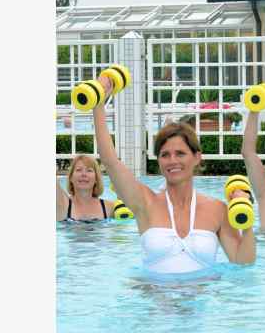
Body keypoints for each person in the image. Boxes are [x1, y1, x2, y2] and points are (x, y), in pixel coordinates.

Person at [90, 77, 255, 274]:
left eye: (180, 153)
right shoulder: (145, 202)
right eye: (165, 155)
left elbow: (242, 263)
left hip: (201, 301)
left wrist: (246, 220)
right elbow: (111, 162)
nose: (172, 161)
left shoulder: (217, 210)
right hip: (152, 301)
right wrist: (98, 104)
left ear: (196, 157)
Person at [56, 154, 115, 222]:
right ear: (71, 178)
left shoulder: (109, 208)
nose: (83, 174)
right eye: (78, 170)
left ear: (96, 179)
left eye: (89, 170)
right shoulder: (63, 204)